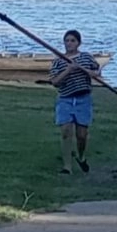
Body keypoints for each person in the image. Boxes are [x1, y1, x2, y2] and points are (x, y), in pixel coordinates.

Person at [49, 30, 101, 175]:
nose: (69, 43)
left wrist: (91, 72)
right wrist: (68, 70)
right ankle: (67, 167)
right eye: (67, 41)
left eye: (73, 41)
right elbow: (55, 82)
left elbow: (97, 71)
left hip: (83, 100)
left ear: (78, 43)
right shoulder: (58, 61)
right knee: (66, 132)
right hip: (65, 99)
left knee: (82, 134)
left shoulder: (86, 57)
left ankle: (81, 156)